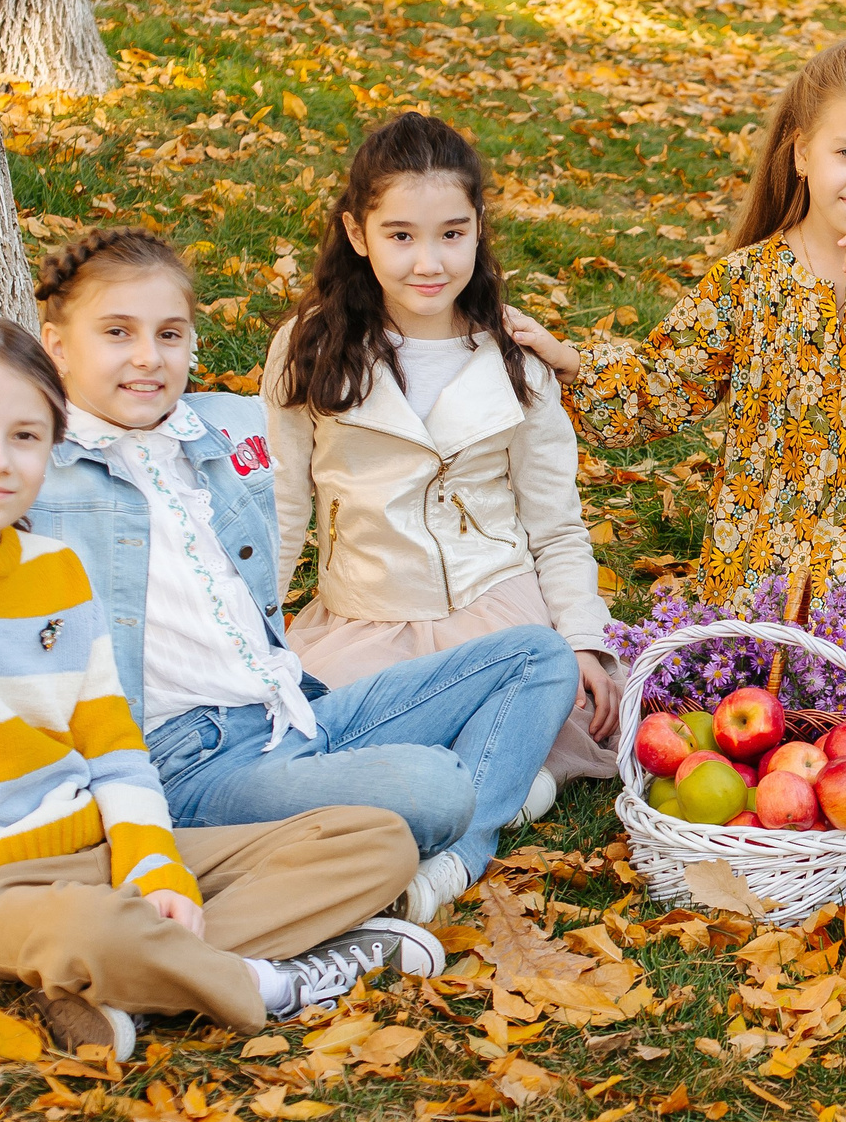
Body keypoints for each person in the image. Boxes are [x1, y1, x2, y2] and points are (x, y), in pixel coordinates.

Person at [0, 318, 442, 1062]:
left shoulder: (58, 570)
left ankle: (121, 987)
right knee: (93, 932)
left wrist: (153, 860)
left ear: (52, 449)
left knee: (375, 837)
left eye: (26, 437)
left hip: (96, 848)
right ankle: (275, 984)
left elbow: (115, 745)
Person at [29, 227, 574, 928]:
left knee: (537, 653)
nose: (147, 357)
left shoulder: (213, 433)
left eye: (170, 333)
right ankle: (450, 838)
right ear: (57, 345)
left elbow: (294, 512)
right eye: (116, 332)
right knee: (436, 783)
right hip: (190, 759)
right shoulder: (42, 473)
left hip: (293, 712)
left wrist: (563, 363)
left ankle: (446, 853)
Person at [541, 31, 846, 742]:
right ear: (802, 153)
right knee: (751, 705)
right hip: (771, 558)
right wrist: (570, 363)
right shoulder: (747, 282)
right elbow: (666, 383)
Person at [264, 112, 621, 805]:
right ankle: (501, 780)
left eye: (452, 234)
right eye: (401, 236)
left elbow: (555, 524)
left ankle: (507, 773)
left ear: (478, 228)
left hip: (495, 607)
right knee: (312, 730)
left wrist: (580, 638)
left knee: (545, 696)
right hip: (366, 618)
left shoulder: (517, 361)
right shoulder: (309, 349)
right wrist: (255, 633)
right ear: (356, 234)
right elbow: (280, 507)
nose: (429, 262)